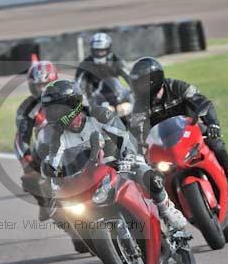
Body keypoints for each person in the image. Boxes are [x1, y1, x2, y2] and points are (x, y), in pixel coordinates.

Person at [37, 79, 188, 233]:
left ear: (72, 104)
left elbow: (125, 138)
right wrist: (52, 186)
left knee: (150, 176)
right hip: (88, 176)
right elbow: (53, 164)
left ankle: (166, 209)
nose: (53, 114)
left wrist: (129, 157)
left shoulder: (99, 114)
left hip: (118, 162)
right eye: (50, 110)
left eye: (57, 109)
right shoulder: (56, 136)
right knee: (71, 215)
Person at [129, 57, 228, 198]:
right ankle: (167, 207)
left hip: (191, 131)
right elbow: (136, 130)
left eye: (142, 83)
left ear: (154, 79)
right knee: (151, 177)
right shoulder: (140, 105)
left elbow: (203, 102)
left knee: (217, 144)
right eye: (137, 83)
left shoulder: (178, 87)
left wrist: (212, 123)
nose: (139, 87)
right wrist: (136, 152)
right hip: (162, 144)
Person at [15, 61, 59, 221]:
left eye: (45, 84)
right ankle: (44, 203)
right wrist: (27, 161)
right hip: (45, 150)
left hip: (76, 144)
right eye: (38, 85)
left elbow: (88, 115)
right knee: (29, 178)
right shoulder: (27, 107)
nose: (42, 89)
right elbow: (21, 137)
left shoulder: (69, 95)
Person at [75, 32, 131, 104]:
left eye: (102, 50)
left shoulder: (116, 61)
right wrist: (81, 97)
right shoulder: (85, 64)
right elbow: (78, 83)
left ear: (108, 50)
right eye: (96, 51)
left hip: (116, 96)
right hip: (93, 101)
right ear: (92, 50)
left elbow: (129, 77)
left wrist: (134, 91)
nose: (99, 53)